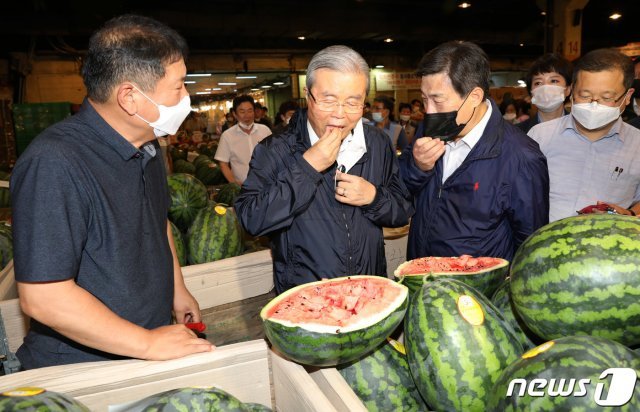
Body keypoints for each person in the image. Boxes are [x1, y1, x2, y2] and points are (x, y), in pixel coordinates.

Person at [9, 14, 213, 370]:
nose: (187, 98)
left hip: (146, 344)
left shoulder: (147, 146)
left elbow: (158, 221)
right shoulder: (55, 163)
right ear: (130, 97)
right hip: (82, 367)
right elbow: (44, 297)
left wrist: (177, 289)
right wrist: (147, 342)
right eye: (179, 87)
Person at [235, 45, 413, 294]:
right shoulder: (274, 149)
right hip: (306, 297)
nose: (340, 115)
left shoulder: (377, 143)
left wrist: (373, 197)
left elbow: (402, 211)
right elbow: (251, 219)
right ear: (308, 95)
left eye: (353, 102)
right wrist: (307, 168)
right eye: (328, 100)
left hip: (368, 291)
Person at [398, 41, 549, 261]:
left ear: (475, 97)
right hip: (420, 271)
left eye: (438, 100)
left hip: (477, 280)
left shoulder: (521, 157)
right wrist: (417, 167)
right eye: (424, 99)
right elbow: (400, 188)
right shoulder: (428, 129)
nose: (429, 111)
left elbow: (531, 245)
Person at [528, 48, 640, 222]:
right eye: (584, 95)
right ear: (572, 91)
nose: (594, 105)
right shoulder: (540, 136)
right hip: (539, 237)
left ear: (627, 96)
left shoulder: (637, 145)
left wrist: (631, 214)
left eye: (606, 98)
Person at [214, 95, 271, 185]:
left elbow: (274, 155)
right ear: (234, 114)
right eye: (242, 112)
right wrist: (234, 183)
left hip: (267, 184)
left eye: (250, 111)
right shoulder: (227, 136)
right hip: (243, 187)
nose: (247, 115)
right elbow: (223, 164)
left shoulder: (265, 130)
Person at [518, 53, 573, 133]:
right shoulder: (517, 133)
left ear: (568, 89)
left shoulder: (582, 131)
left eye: (554, 81)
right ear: (531, 92)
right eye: (538, 83)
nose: (545, 88)